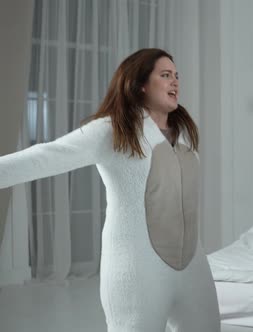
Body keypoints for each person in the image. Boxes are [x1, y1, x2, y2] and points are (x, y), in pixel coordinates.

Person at [0, 48, 220, 332]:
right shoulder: (112, 129)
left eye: (176, 76)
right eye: (165, 76)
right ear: (140, 84)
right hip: (137, 269)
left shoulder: (184, 132)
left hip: (192, 264)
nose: (175, 82)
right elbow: (46, 156)